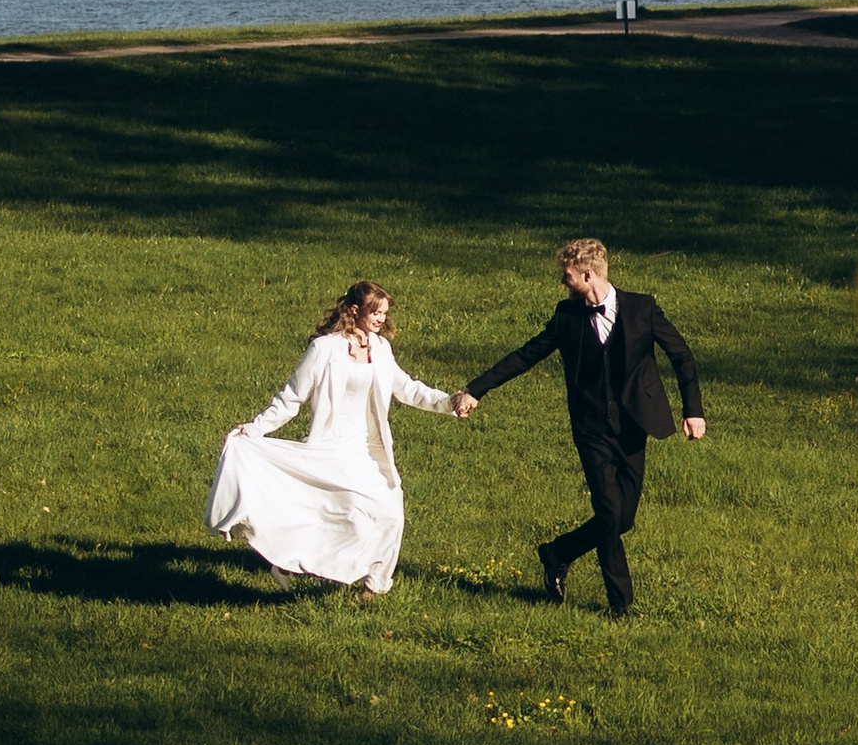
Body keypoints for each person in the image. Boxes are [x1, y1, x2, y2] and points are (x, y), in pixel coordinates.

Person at [455, 236, 704, 620]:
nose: (563, 282)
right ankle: (620, 605)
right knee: (609, 513)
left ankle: (558, 552)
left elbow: (681, 355)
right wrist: (476, 389)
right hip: (590, 429)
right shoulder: (567, 316)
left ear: (588, 274)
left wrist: (693, 411)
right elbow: (526, 355)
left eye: (567, 275)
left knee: (623, 519)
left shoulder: (642, 308)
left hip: (634, 425)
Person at [209, 281, 465, 600]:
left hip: (371, 450)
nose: (382, 319)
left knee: (390, 513)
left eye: (385, 313)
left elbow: (408, 389)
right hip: (331, 447)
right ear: (355, 310)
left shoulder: (381, 349)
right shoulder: (324, 349)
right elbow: (292, 397)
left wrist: (449, 402)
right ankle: (288, 560)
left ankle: (375, 588)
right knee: (335, 515)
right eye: (376, 312)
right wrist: (254, 429)